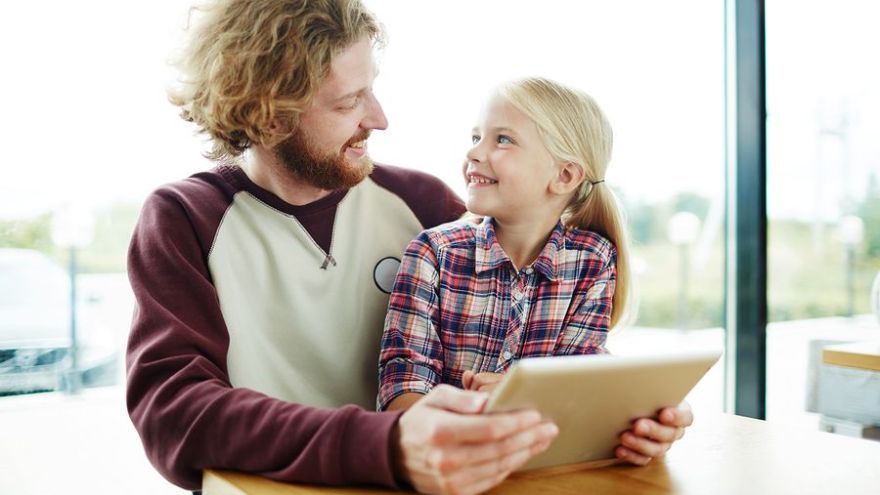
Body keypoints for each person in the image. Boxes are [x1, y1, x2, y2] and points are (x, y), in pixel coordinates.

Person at [126, 0, 690, 493]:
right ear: (269, 115)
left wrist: (620, 414)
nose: (380, 118)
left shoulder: (422, 205)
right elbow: (174, 413)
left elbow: (520, 350)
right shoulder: (185, 221)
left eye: (372, 88)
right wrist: (388, 443)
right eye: (349, 102)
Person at [378, 77, 690, 465]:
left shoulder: (592, 260)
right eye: (476, 136)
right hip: (447, 470)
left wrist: (646, 420)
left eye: (502, 139)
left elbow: (578, 385)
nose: (474, 152)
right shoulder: (434, 253)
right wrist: (491, 409)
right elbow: (401, 392)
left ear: (564, 176)